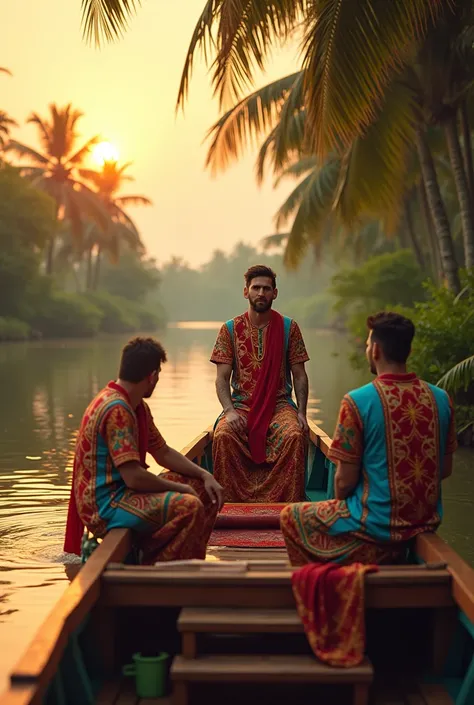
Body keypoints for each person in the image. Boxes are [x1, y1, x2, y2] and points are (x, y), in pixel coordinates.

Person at [280, 312, 457, 566]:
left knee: (290, 516)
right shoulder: (441, 398)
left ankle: (332, 577)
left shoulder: (358, 401)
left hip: (373, 524)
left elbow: (343, 482)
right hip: (423, 522)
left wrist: (344, 506)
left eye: (366, 344)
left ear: (374, 350)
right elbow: (445, 469)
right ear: (408, 350)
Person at [64, 337, 224, 564]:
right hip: (105, 505)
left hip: (122, 491)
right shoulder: (117, 410)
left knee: (202, 489)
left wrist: (204, 474)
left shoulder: (136, 405)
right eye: (158, 373)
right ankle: (161, 565)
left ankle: (156, 551)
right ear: (153, 376)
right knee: (190, 505)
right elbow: (134, 478)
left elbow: (163, 453)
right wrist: (180, 489)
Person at [210, 264, 310, 503]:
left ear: (275, 293)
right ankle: (230, 507)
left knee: (295, 436)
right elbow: (222, 378)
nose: (261, 293)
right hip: (241, 406)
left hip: (280, 405)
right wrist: (229, 411)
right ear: (246, 292)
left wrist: (303, 413)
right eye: (256, 288)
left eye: (267, 288)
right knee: (223, 435)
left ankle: (286, 507)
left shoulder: (289, 328)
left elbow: (299, 375)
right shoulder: (230, 329)